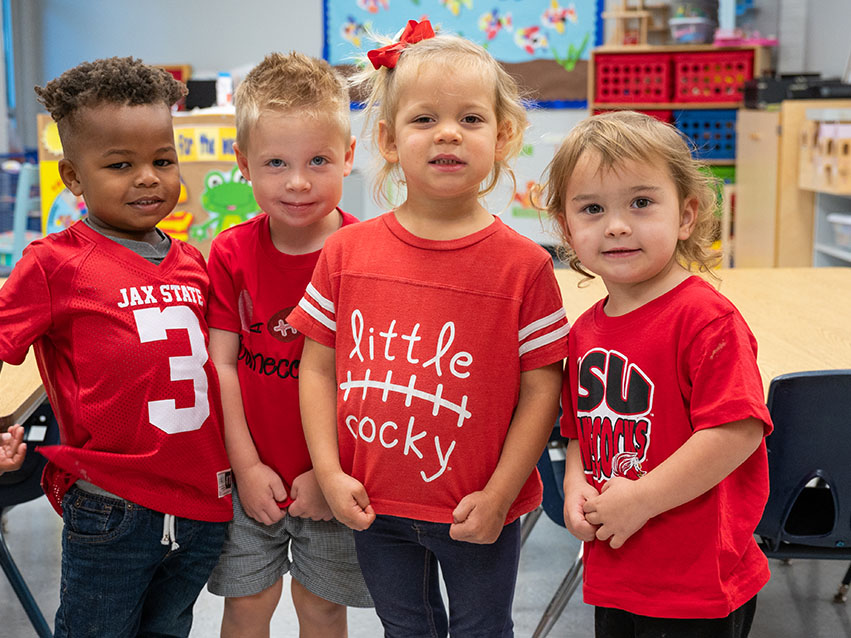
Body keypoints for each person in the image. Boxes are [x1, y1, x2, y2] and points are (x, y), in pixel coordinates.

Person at [286, 20, 569, 637]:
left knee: (481, 631)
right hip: (373, 506)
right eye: (424, 120)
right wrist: (329, 472)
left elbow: (542, 389)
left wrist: (500, 494)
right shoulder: (345, 251)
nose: (448, 132)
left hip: (475, 511)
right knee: (404, 629)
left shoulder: (524, 265)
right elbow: (317, 366)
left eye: (470, 119)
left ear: (504, 136)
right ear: (388, 140)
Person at [0, 56, 233, 638]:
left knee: (170, 628)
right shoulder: (55, 263)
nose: (148, 177)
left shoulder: (194, 262)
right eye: (121, 164)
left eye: (162, 160)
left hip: (202, 506)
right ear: (75, 178)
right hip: (113, 505)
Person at [543, 110, 772, 638]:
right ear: (567, 229)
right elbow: (580, 432)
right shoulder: (584, 332)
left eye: (641, 203)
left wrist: (641, 500)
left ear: (687, 216)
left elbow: (737, 432)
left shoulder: (705, 319)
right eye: (593, 209)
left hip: (698, 584)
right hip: (620, 569)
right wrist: (576, 485)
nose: (617, 225)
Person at [204, 51, 373, 637]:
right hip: (250, 474)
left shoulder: (366, 254)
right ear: (244, 165)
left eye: (318, 160)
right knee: (247, 605)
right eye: (276, 162)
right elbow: (222, 365)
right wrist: (246, 467)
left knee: (321, 607)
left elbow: (372, 380)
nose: (297, 182)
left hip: (335, 478)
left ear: (348, 158)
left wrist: (330, 474)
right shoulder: (229, 253)